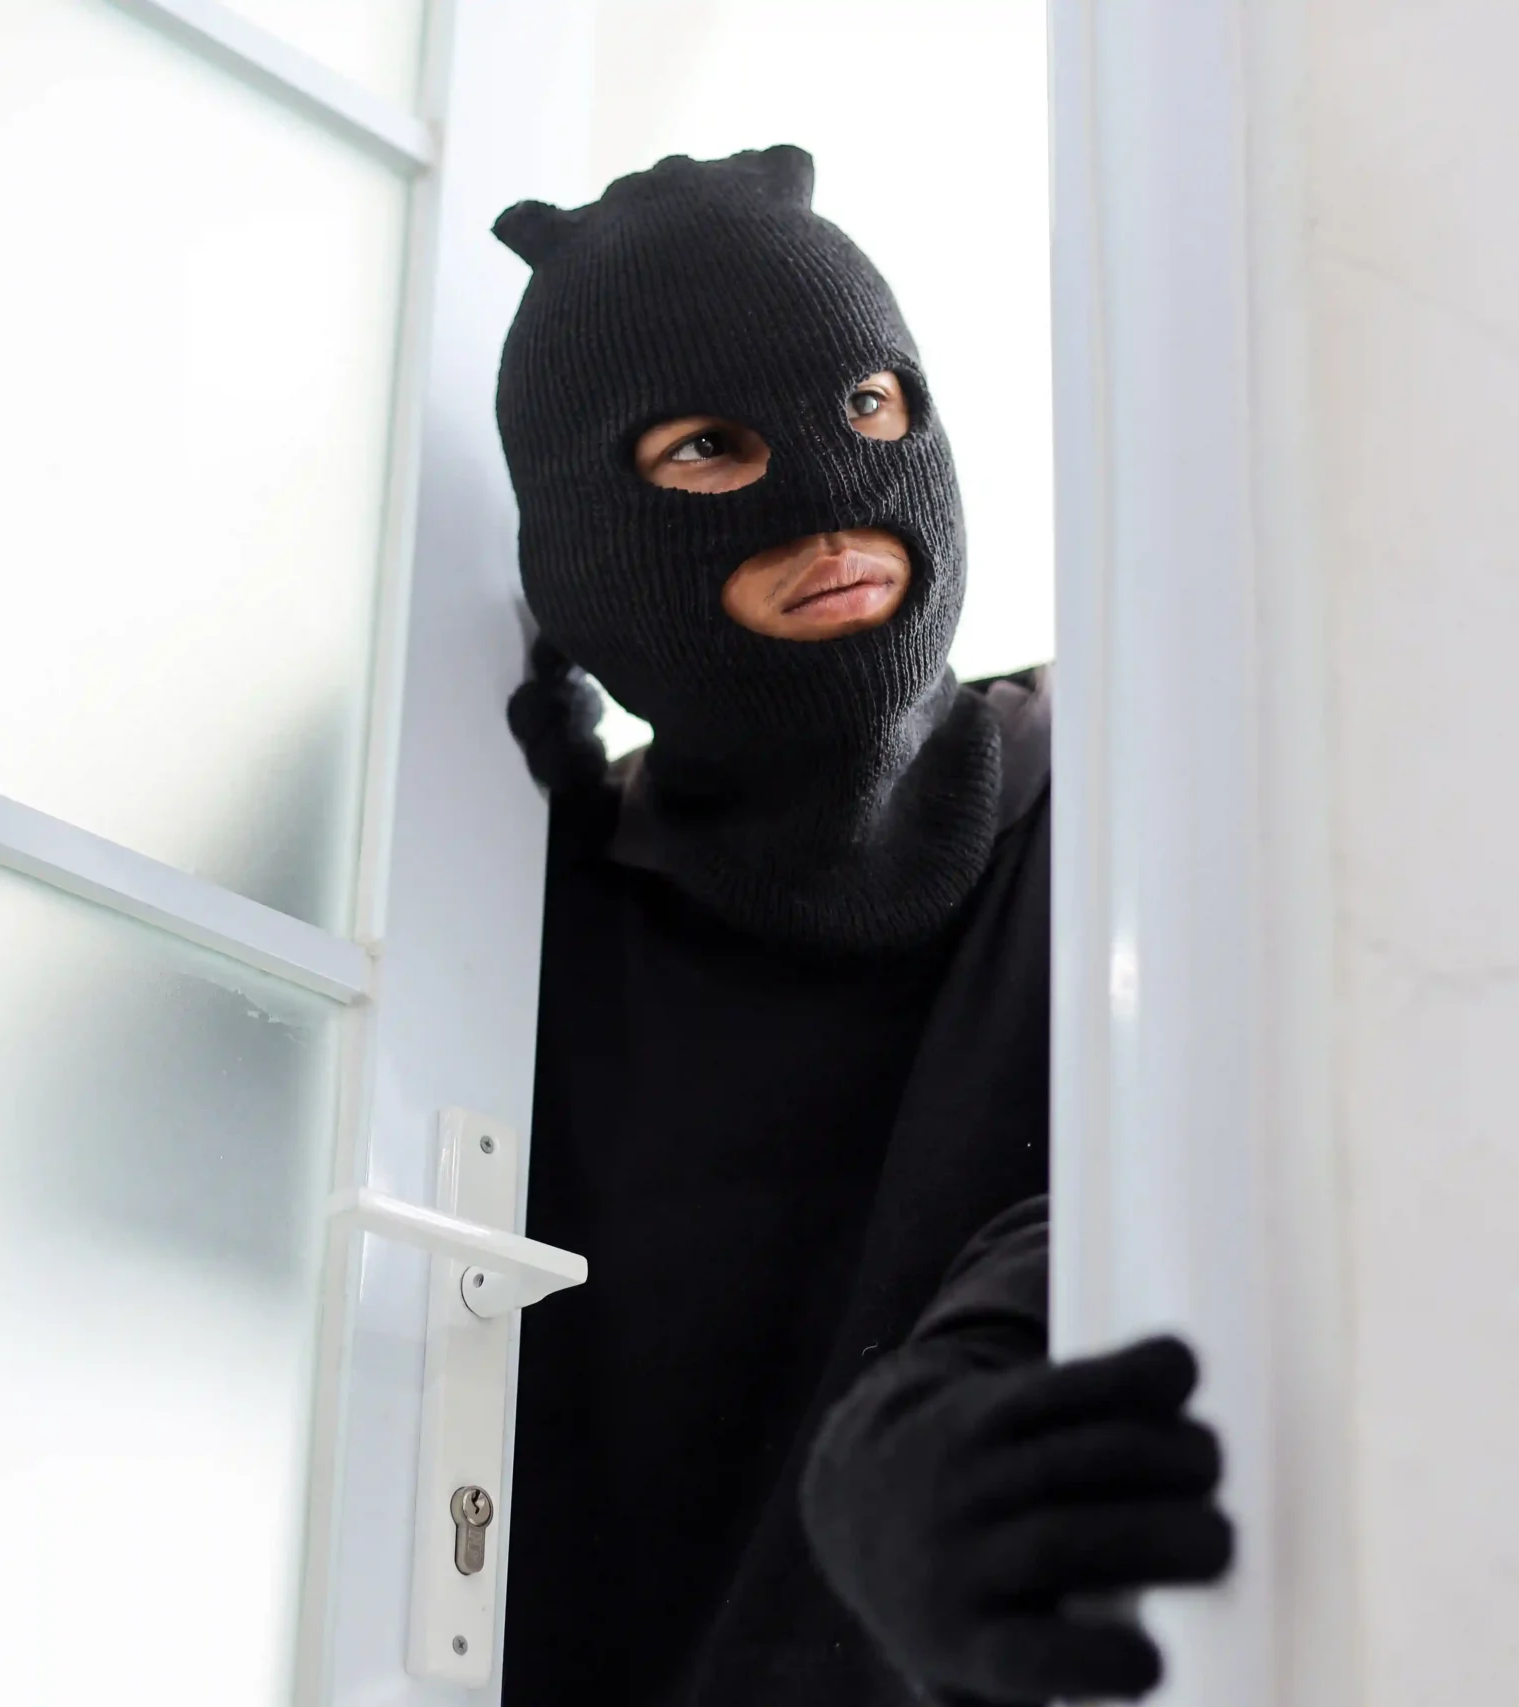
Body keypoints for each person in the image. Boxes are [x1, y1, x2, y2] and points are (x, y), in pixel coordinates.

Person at [491, 145, 1232, 1706]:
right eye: (707, 446)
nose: (836, 501)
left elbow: (1216, 1152)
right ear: (579, 546)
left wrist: (957, 1403)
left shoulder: (1148, 806)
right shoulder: (531, 932)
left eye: (867, 409)